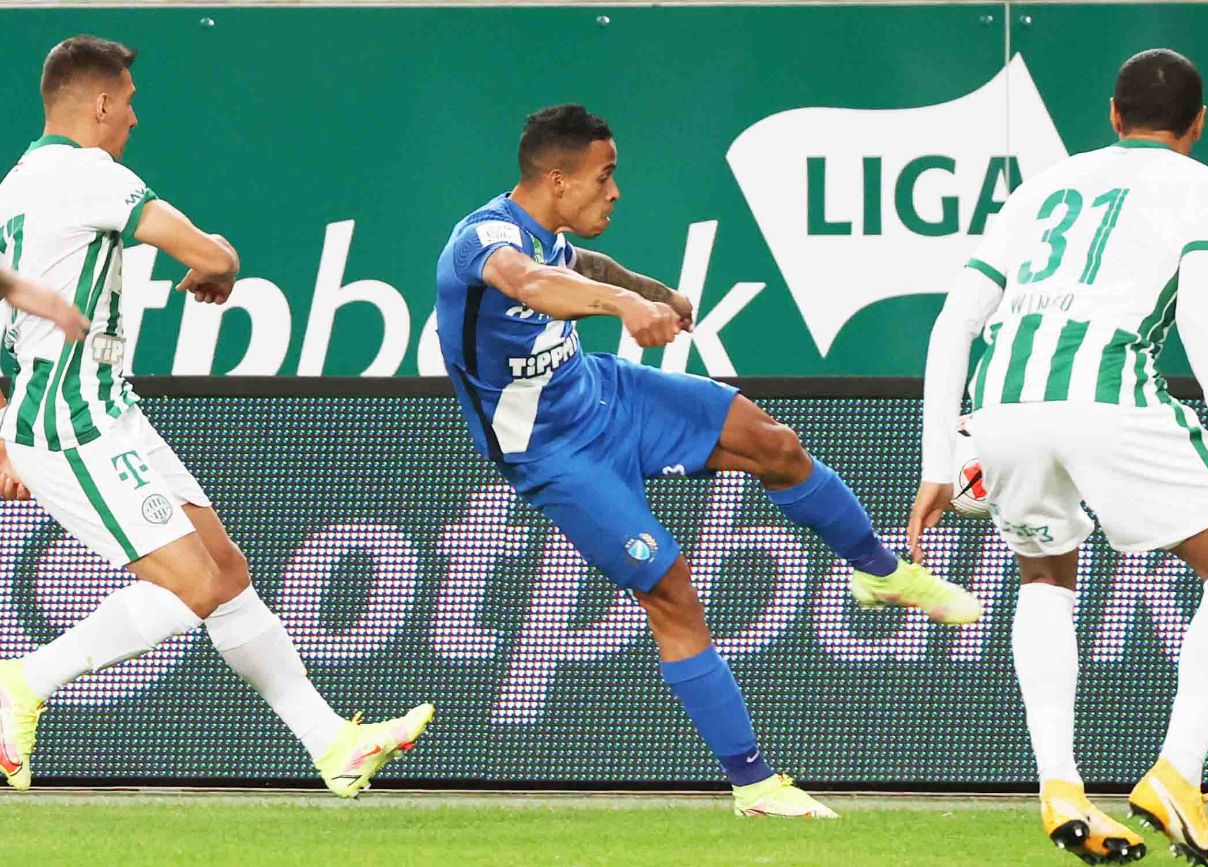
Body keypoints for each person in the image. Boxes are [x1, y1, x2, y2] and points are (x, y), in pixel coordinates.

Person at [436, 103, 980, 818]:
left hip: (605, 393)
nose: (615, 191)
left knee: (774, 443)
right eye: (605, 176)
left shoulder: (552, 235)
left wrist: (652, 292)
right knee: (672, 591)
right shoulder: (482, 239)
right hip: (551, 451)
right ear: (559, 180)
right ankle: (755, 785)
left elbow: (579, 264)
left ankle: (882, 573)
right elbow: (531, 284)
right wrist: (623, 307)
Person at [0, 35, 433, 796]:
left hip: (99, 408)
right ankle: (21, 682)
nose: (134, 117)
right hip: (74, 421)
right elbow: (214, 255)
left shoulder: (14, 186)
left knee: (225, 573)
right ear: (99, 103)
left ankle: (332, 743)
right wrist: (218, 259)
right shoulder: (89, 174)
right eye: (128, 102)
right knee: (191, 587)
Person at [912, 48, 1208, 866]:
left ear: (1113, 115)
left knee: (1046, 578)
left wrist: (939, 460)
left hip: (1001, 405)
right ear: (1199, 124)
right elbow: (1204, 315)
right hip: (1109, 393)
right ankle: (1177, 775)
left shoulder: (1042, 187)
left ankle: (1060, 787)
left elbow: (954, 323)